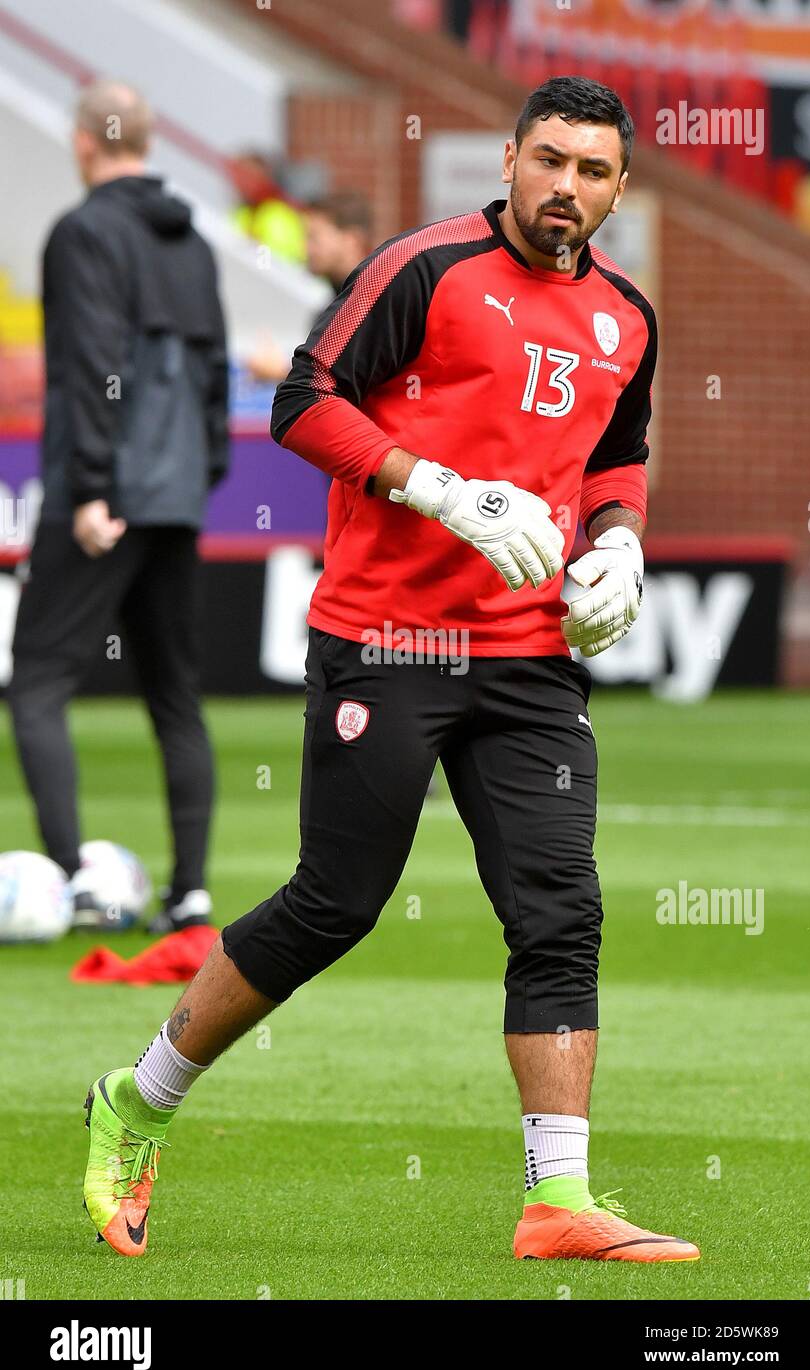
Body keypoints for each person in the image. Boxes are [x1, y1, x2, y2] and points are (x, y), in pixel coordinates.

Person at [82, 76, 700, 1265]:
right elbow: (301, 400)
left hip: (528, 656)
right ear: (511, 158)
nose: (564, 186)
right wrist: (435, 486)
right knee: (337, 903)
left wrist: (619, 546)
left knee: (560, 908)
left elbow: (618, 455)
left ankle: (556, 1199)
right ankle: (138, 1098)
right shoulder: (424, 267)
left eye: (591, 170)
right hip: (388, 638)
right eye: (548, 160)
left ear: (620, 189)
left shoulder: (628, 312)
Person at [8, 80, 228, 935]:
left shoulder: (83, 232)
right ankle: (193, 891)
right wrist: (200, 476)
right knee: (175, 695)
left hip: (101, 497)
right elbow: (212, 376)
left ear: (83, 141)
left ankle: (70, 881)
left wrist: (96, 488)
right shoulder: (196, 243)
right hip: (175, 498)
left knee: (36, 684)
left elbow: (90, 365)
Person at [246, 191, 373, 384]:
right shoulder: (334, 305)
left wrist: (281, 373)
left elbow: (356, 386)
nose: (305, 248)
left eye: (314, 238)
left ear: (352, 240)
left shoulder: (372, 304)